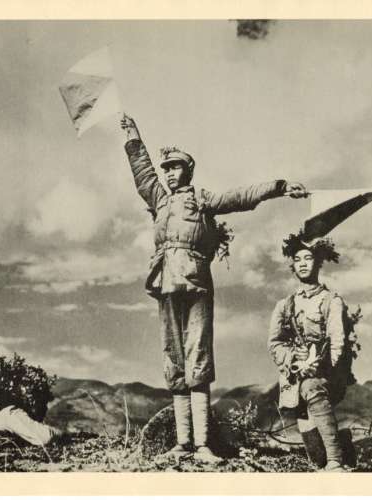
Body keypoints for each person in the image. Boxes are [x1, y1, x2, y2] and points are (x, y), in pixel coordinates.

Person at [120, 114, 308, 463]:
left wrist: (279, 187)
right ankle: (182, 444)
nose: (169, 173)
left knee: (199, 358)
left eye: (176, 167)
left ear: (188, 171)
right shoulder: (159, 200)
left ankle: (203, 445)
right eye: (167, 168)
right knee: (173, 359)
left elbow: (239, 197)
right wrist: (133, 136)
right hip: (164, 282)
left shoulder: (203, 199)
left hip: (195, 283)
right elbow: (142, 172)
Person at [267, 233, 360, 472]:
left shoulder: (331, 301)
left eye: (308, 258)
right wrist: (292, 358)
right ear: (292, 266)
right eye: (298, 260)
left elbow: (337, 342)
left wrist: (319, 366)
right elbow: (275, 343)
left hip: (328, 373)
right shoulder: (285, 305)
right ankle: (342, 447)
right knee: (315, 456)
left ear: (318, 263)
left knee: (311, 387)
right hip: (296, 375)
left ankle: (336, 461)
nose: (303, 264)